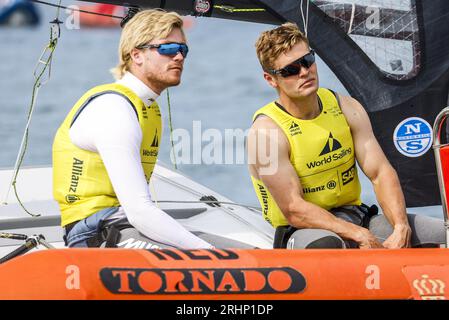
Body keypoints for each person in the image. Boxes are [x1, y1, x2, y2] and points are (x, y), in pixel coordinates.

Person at [247, 22, 445, 249]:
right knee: (328, 245)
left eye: (307, 61)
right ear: (271, 79)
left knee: (441, 234)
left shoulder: (346, 107)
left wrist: (401, 227)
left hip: (357, 218)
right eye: (290, 70)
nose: (304, 72)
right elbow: (294, 209)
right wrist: (359, 235)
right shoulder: (265, 134)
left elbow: (380, 173)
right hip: (303, 231)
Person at [52, 9, 214, 249]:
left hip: (122, 223)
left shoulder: (147, 107)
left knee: (239, 250)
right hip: (91, 232)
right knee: (213, 255)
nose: (179, 57)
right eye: (167, 49)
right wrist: (211, 255)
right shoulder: (115, 108)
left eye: (183, 50)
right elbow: (139, 211)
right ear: (136, 55)